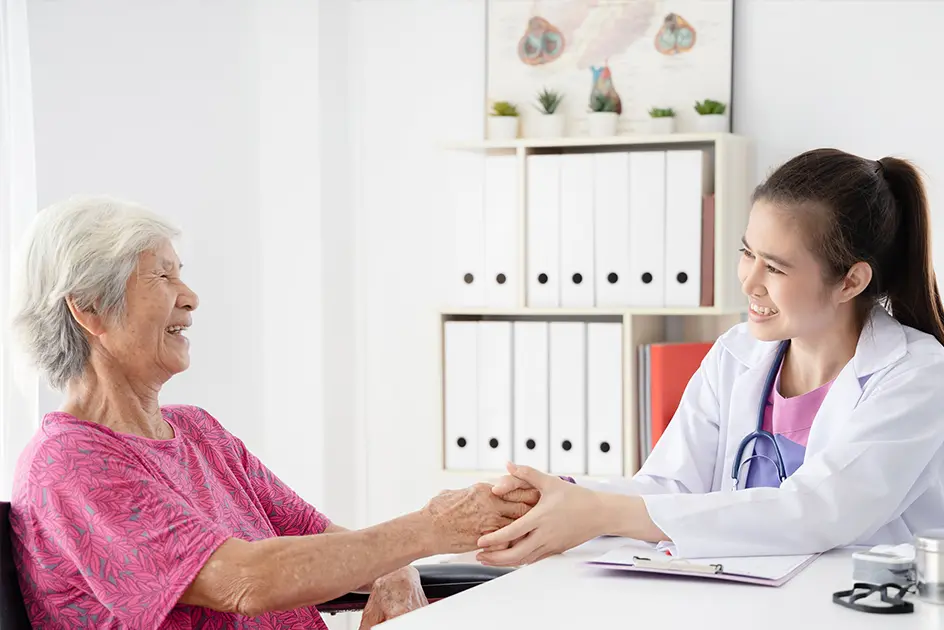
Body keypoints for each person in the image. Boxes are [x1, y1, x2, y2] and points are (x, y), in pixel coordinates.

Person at [6, 195, 532, 629]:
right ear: (89, 307)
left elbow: (326, 545)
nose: (190, 297)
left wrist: (395, 568)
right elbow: (245, 581)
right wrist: (429, 529)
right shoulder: (69, 463)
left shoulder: (197, 432)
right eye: (162, 277)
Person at [477, 148, 944, 565]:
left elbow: (819, 512)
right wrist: (565, 496)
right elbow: (671, 488)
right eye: (747, 253)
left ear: (850, 281)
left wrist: (601, 512)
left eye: (776, 267)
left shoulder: (916, 374)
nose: (748, 281)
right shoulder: (736, 353)